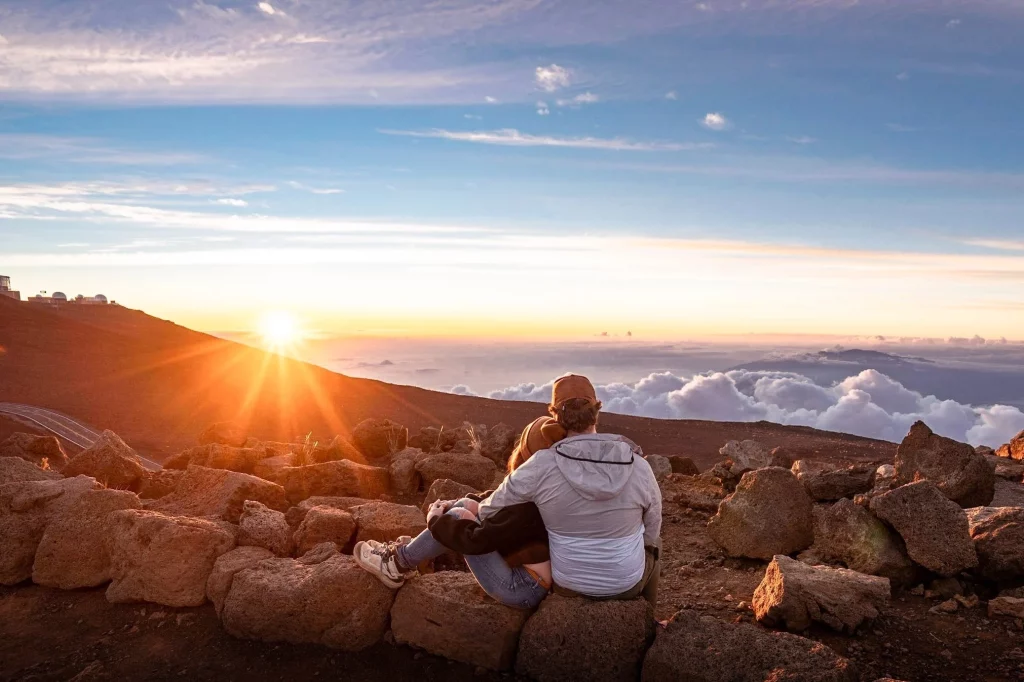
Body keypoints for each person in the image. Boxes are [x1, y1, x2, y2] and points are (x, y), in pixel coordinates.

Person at [478, 374, 662, 606]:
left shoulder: (540, 465)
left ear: (555, 415)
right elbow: (652, 529)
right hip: (626, 585)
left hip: (568, 585)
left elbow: (489, 512)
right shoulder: (638, 465)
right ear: (597, 411)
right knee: (656, 544)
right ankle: (646, 614)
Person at [352, 416, 565, 609]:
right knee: (463, 505)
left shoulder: (527, 506)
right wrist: (461, 503)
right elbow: (496, 499)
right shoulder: (544, 489)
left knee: (456, 519)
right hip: (528, 576)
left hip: (522, 588)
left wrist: (435, 519)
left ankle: (397, 563)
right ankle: (405, 557)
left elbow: (475, 540)